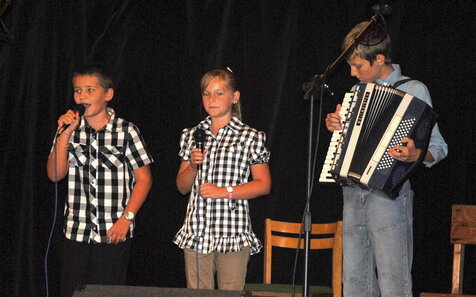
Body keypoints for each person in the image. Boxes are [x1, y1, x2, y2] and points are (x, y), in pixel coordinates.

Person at [325, 22, 448, 297]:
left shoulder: (415, 89)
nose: (352, 73)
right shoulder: (357, 92)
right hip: (352, 193)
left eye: (358, 66)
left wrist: (418, 154)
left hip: (390, 196)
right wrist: (335, 126)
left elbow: (439, 146)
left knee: (393, 278)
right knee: (354, 281)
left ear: (379, 59)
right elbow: (347, 143)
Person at [46, 64, 153, 297]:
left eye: (89, 90)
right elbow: (55, 174)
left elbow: (144, 179)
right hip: (76, 232)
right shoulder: (68, 129)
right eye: (77, 91)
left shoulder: (126, 131)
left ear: (108, 94)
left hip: (113, 232)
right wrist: (64, 135)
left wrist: (126, 218)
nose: (82, 96)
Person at [173, 69, 271, 291]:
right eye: (207, 94)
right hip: (197, 232)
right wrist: (193, 165)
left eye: (219, 93)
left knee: (230, 292)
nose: (212, 100)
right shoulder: (192, 134)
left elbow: (263, 184)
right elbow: (181, 186)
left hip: (232, 231)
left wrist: (224, 191)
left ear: (234, 97)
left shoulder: (250, 136)